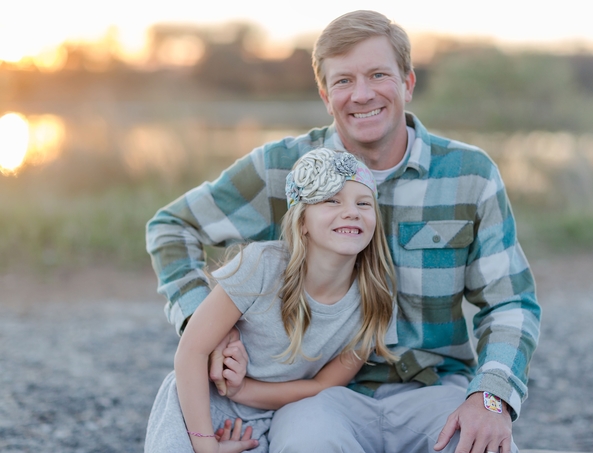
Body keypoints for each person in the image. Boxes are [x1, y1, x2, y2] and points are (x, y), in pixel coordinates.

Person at [146, 9, 541, 453]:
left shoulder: (470, 174)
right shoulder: (283, 168)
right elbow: (172, 227)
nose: (363, 94)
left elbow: (509, 302)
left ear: (408, 83)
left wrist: (489, 398)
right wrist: (209, 329)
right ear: (324, 93)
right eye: (343, 81)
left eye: (378, 74)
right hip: (316, 397)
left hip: (436, 390)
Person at [146, 148, 398, 452]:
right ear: (302, 221)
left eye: (363, 203)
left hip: (269, 421)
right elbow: (191, 352)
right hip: (198, 410)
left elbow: (322, 386)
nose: (351, 211)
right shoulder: (261, 266)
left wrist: (242, 390)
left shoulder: (374, 298)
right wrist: (205, 446)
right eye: (332, 200)